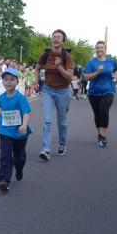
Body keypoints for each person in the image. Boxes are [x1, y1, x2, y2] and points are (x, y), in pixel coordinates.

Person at [34, 29, 74, 161]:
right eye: (54, 37)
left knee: (62, 122)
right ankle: (45, 149)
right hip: (48, 90)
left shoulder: (67, 56)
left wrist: (60, 67)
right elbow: (37, 69)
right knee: (47, 120)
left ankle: (62, 143)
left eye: (59, 37)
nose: (56, 39)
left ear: (63, 41)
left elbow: (70, 77)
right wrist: (36, 82)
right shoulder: (45, 54)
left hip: (63, 91)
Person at [0, 68, 31, 193]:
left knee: (19, 158)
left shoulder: (20, 98)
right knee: (5, 155)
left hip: (20, 133)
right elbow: (0, 111)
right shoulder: (1, 98)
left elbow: (26, 112)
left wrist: (24, 125)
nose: (9, 82)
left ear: (17, 81)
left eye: (12, 79)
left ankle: (19, 169)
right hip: (5, 131)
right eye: (6, 79)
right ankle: (3, 180)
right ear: (2, 82)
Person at [83, 41, 117, 148]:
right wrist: (97, 72)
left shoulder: (111, 61)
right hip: (94, 92)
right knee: (97, 114)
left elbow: (115, 71)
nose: (99, 49)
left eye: (101, 47)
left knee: (104, 111)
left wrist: (115, 76)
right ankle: (99, 134)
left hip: (108, 90)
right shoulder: (91, 62)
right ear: (95, 49)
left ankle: (103, 136)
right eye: (97, 47)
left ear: (105, 49)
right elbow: (87, 77)